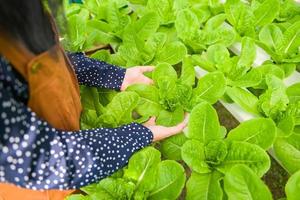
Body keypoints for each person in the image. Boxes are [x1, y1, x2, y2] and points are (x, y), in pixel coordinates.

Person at [0, 0, 188, 199]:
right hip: (31, 186)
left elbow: (52, 59)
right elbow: (45, 159)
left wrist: (113, 75)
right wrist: (137, 135)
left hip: (68, 143)